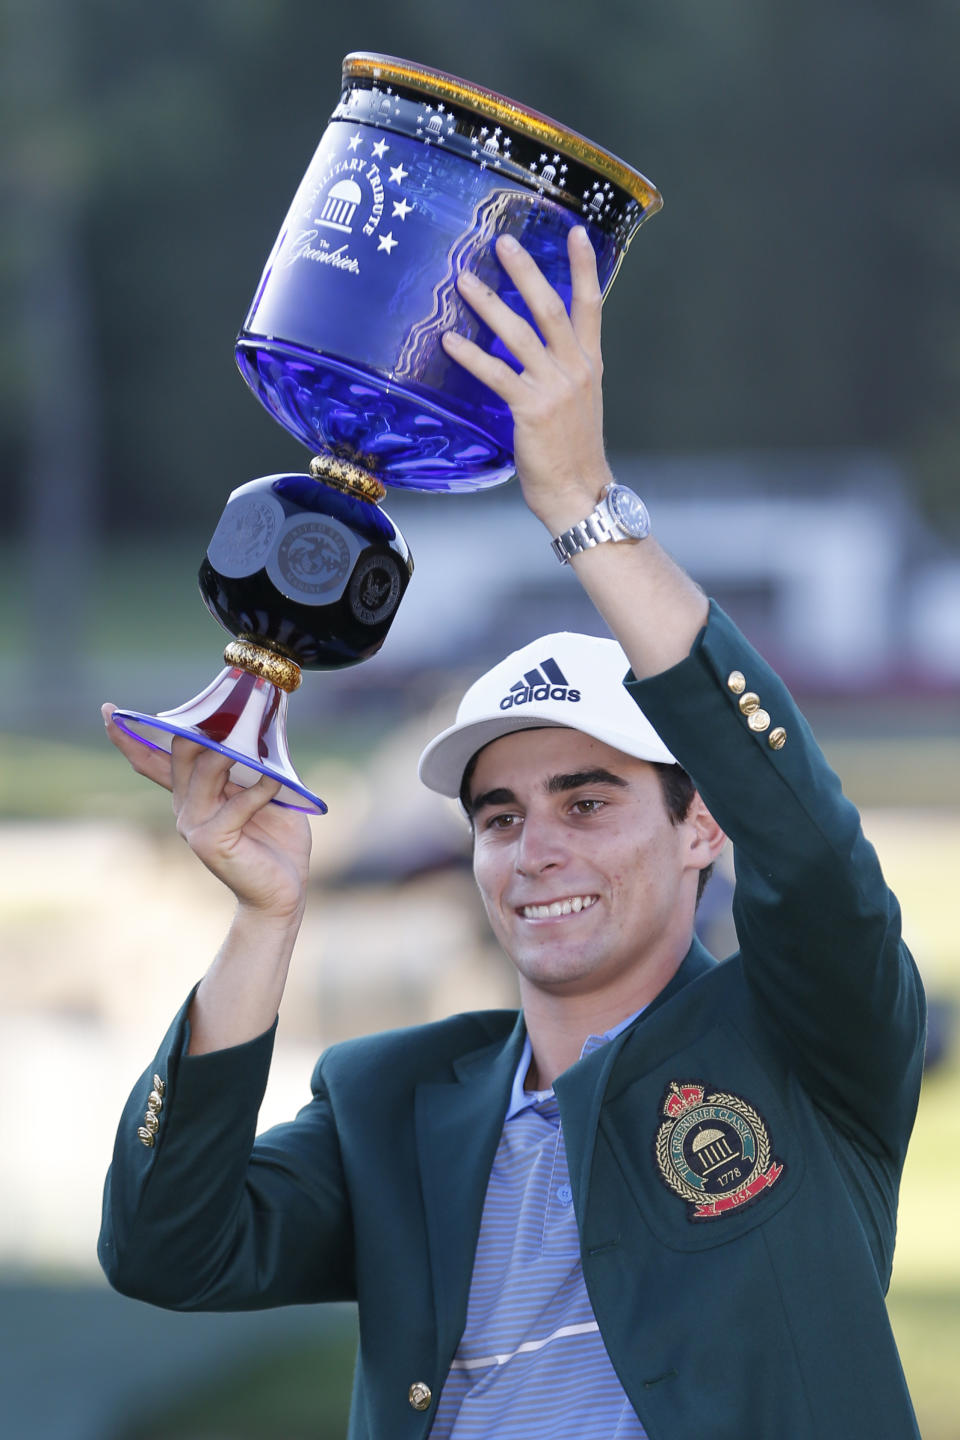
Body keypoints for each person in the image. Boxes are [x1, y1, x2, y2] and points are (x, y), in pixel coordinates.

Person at [98, 228, 925, 1439]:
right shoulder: (392, 1100)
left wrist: (583, 505)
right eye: (500, 816)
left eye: (587, 803)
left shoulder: (807, 1041)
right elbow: (167, 1244)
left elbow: (810, 849)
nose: (535, 847)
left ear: (702, 828)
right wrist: (264, 919)